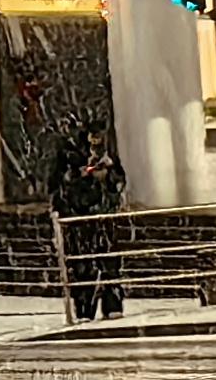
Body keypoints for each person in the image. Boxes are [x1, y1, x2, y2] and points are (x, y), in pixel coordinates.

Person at [57, 124, 129, 319]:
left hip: (105, 219)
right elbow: (67, 188)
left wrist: (109, 172)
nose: (95, 146)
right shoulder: (71, 158)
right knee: (84, 267)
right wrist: (86, 174)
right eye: (92, 142)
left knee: (110, 265)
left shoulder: (109, 158)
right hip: (83, 222)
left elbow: (119, 182)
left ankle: (112, 304)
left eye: (98, 142)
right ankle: (84, 309)